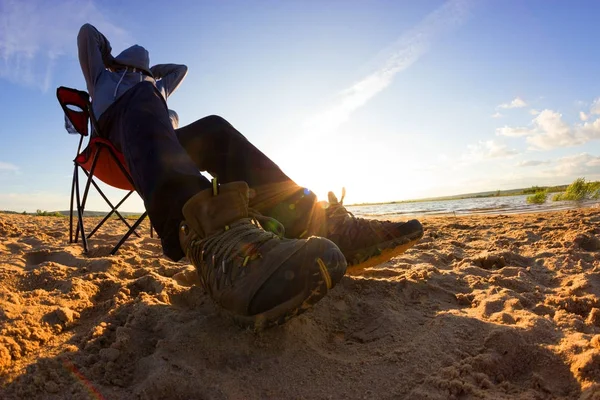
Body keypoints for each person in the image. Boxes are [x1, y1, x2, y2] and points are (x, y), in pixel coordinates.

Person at [77, 23, 424, 329]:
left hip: (162, 145)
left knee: (213, 128)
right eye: (135, 63)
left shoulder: (153, 84)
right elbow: (87, 34)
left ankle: (311, 220)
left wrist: (147, 73)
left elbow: (180, 69)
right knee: (143, 98)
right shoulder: (102, 77)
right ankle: (210, 234)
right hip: (118, 145)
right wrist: (114, 62)